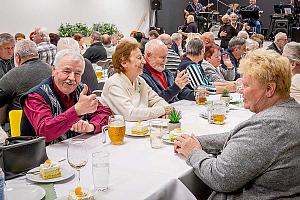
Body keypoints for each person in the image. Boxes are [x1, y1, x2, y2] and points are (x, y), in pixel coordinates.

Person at [174, 49, 300, 199]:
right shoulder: (290, 111)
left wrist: (192, 152)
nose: (241, 92)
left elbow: (220, 177)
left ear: (269, 89)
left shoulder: (268, 126)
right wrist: (199, 141)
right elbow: (239, 137)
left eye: (246, 86)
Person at [20, 49, 111, 144]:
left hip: (74, 151)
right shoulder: (36, 96)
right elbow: (44, 132)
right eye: (66, 71)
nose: (72, 78)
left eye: (77, 73)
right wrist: (76, 111)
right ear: (54, 70)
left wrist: (91, 126)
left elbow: (104, 113)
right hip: (41, 156)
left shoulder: (81, 90)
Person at [101, 38, 172, 121]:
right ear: (124, 63)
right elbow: (130, 114)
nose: (144, 62)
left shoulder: (139, 81)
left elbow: (157, 100)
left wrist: (165, 111)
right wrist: (162, 110)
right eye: (139, 58)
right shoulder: (114, 84)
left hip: (140, 129)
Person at [0, 39, 52, 112]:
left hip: (21, 119)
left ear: (18, 57)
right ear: (37, 54)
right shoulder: (51, 70)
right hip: (50, 116)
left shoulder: (14, 74)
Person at [141, 39, 194, 103]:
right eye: (162, 57)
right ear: (149, 56)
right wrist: (176, 87)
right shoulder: (141, 76)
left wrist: (195, 94)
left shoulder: (166, 72)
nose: (166, 61)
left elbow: (179, 92)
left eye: (166, 57)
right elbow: (155, 100)